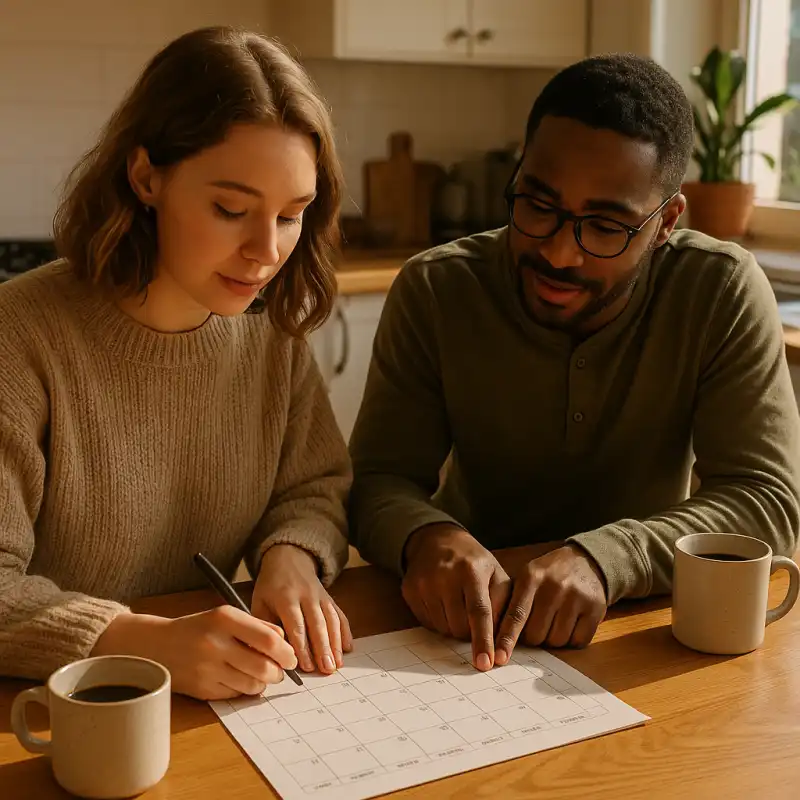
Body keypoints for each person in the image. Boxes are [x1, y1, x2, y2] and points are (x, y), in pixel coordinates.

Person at [348, 53, 800, 672]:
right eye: (538, 205)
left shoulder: (720, 289)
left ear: (666, 221)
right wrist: (426, 537)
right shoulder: (436, 288)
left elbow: (767, 501)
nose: (559, 253)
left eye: (607, 225)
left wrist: (608, 558)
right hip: (462, 627)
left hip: (642, 629)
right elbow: (375, 480)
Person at [0, 26, 354, 700]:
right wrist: (137, 641)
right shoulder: (18, 336)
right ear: (145, 177)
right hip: (47, 714)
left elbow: (312, 485)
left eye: (292, 214)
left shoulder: (268, 332)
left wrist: (291, 557)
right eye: (231, 209)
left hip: (208, 703)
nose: (266, 251)